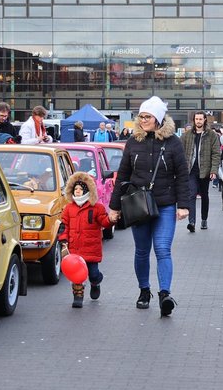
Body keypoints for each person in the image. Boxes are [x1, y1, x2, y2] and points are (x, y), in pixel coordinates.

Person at [108, 96, 190, 316]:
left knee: (162, 249)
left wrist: (184, 205)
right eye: (141, 116)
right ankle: (144, 291)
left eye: (147, 116)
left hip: (165, 205)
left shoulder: (173, 142)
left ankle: (165, 294)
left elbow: (182, 175)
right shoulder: (133, 141)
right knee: (142, 251)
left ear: (158, 118)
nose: (142, 120)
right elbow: (123, 175)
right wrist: (114, 207)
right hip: (139, 205)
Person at [59, 171, 112, 308]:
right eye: (75, 189)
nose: (77, 191)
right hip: (75, 249)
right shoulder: (68, 209)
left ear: (87, 190)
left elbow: (104, 222)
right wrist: (63, 241)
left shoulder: (97, 208)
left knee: (93, 273)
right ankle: (78, 296)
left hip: (91, 249)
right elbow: (64, 226)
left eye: (80, 189)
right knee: (77, 275)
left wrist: (111, 219)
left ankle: (96, 282)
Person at [180, 110, 221, 232]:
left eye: (200, 119)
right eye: (196, 119)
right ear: (194, 120)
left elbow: (216, 154)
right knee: (191, 195)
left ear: (204, 120)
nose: (198, 121)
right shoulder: (186, 135)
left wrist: (214, 170)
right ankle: (191, 222)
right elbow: (180, 153)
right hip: (190, 170)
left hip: (205, 170)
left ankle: (204, 219)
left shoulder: (211, 135)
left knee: (205, 195)